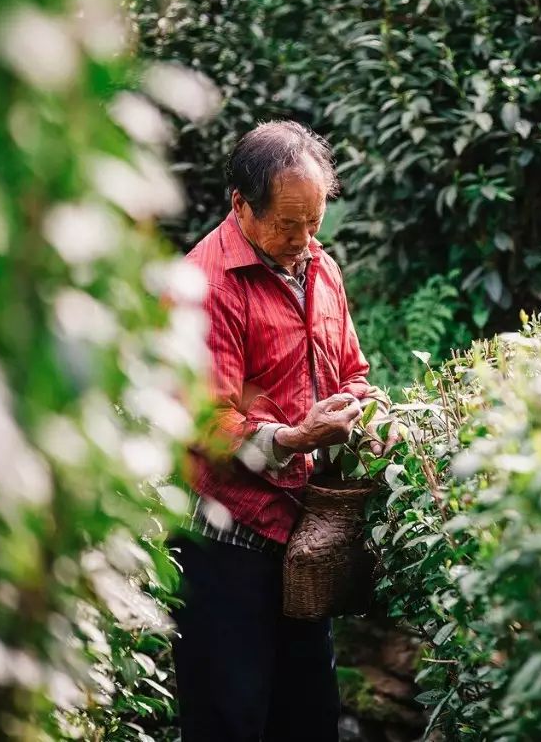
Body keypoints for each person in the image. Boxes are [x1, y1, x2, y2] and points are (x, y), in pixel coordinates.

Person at [168, 120, 399, 741]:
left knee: (309, 716)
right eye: (288, 225)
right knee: (230, 718)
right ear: (239, 204)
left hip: (300, 538)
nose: (303, 241)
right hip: (228, 541)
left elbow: (351, 370)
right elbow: (203, 421)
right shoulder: (207, 285)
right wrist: (292, 438)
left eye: (314, 223)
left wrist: (368, 415)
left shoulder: (320, 267)